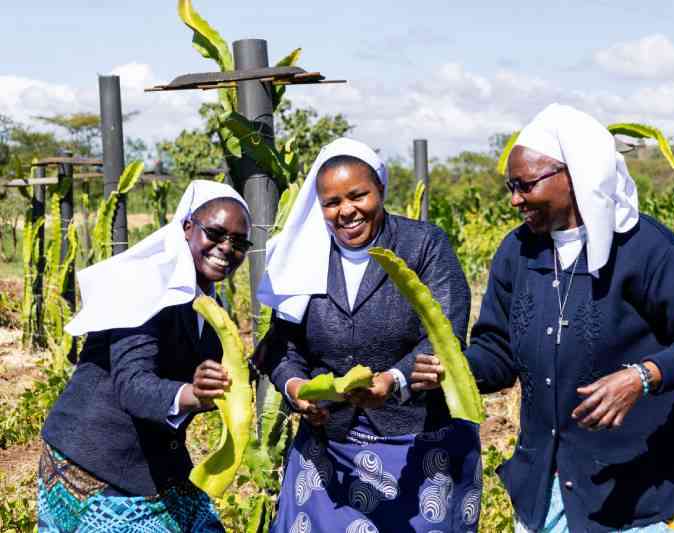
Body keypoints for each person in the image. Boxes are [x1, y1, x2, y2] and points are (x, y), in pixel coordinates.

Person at [412, 104, 674, 532]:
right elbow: (497, 353)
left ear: (575, 173)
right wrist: (451, 370)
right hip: (552, 488)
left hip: (643, 488)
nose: (515, 199)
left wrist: (642, 376)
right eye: (511, 186)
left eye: (525, 185)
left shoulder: (642, 246)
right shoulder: (518, 252)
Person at [254, 138, 481, 532]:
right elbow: (281, 346)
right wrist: (296, 390)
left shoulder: (423, 244)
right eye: (331, 202)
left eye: (358, 195)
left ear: (380, 190)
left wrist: (395, 381)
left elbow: (444, 331)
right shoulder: (303, 257)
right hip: (329, 448)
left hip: (417, 442)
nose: (346, 211)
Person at [38, 180, 253, 532]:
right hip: (95, 461)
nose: (226, 248)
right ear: (187, 228)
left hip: (156, 461)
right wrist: (193, 394)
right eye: (215, 233)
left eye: (239, 242)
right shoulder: (145, 284)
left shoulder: (210, 301)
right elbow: (133, 385)